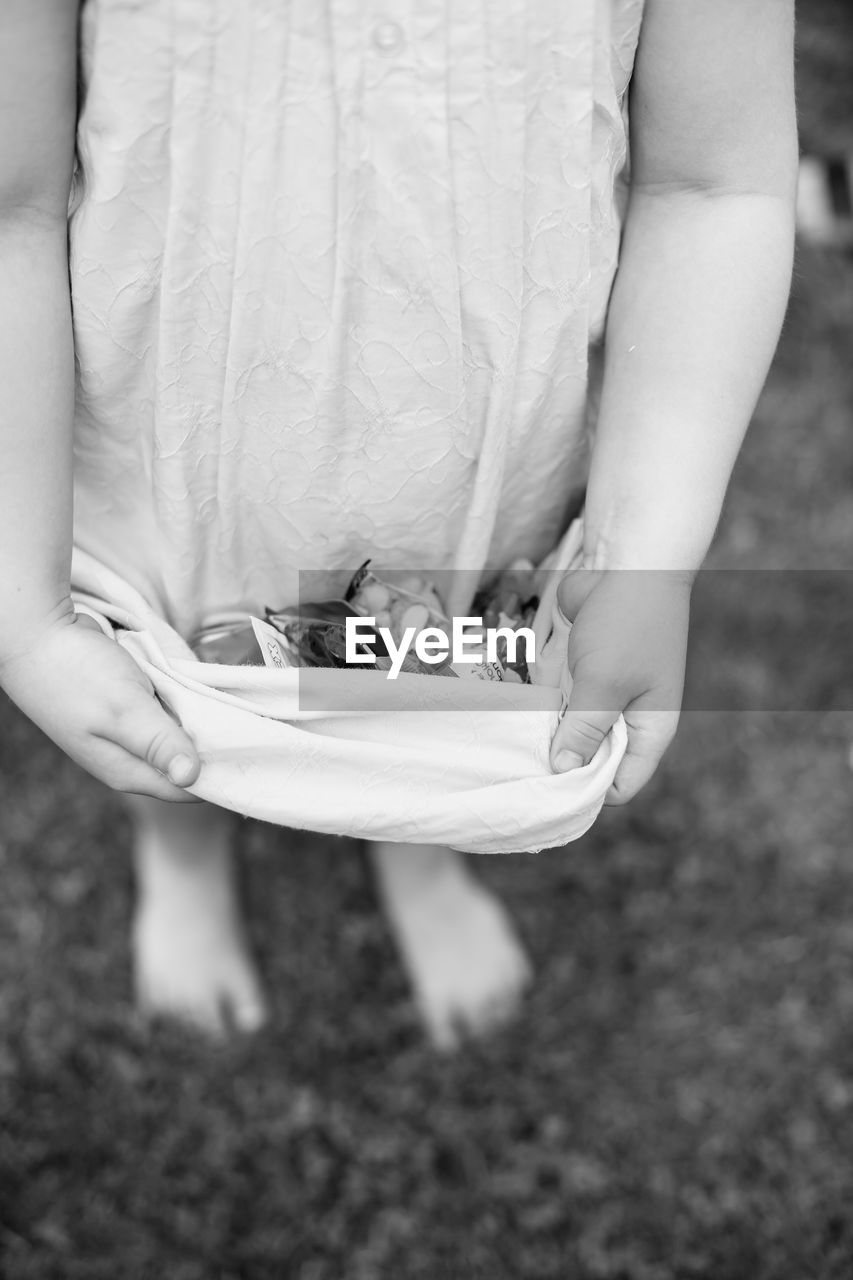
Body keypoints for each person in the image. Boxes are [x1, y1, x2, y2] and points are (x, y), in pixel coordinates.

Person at [0, 0, 798, 1048]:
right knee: (150, 706)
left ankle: (416, 843)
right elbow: (9, 203)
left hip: (474, 469)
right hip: (165, 462)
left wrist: (639, 559)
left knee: (441, 683)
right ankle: (183, 846)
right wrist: (23, 610)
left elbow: (713, 182)